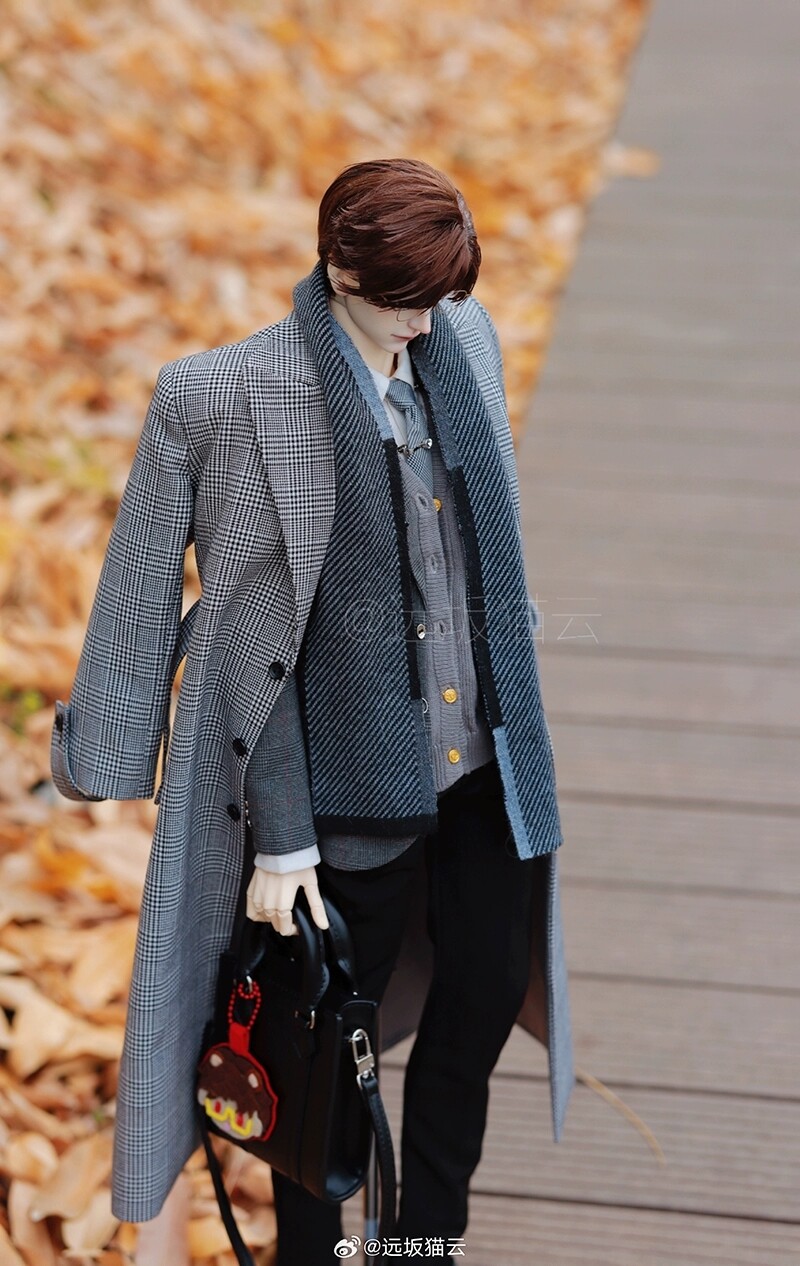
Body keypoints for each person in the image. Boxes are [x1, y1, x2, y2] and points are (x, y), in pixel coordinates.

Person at [51, 158, 573, 1263]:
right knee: (320, 1046)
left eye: (443, 296)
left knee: (482, 1002)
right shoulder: (227, 394)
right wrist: (277, 835)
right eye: (403, 300)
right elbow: (227, 630)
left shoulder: (462, 339)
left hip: (488, 763)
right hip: (340, 790)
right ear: (337, 269)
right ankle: (309, 1252)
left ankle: (424, 1242)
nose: (424, 323)